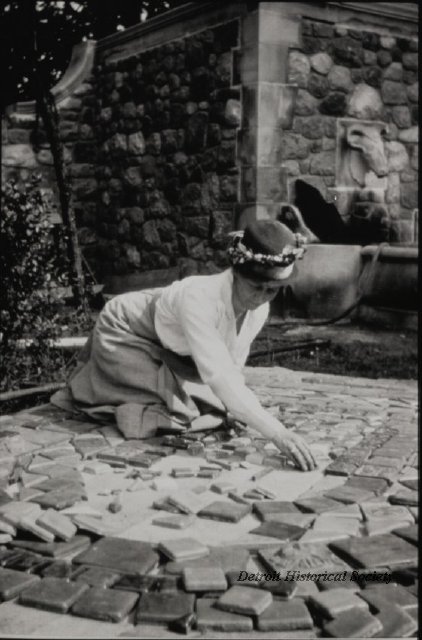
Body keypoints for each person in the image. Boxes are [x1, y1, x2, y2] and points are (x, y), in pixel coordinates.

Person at [52, 219, 316, 471]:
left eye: (271, 290)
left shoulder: (259, 309)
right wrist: (276, 432)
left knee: (217, 406)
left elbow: (233, 363)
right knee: (178, 412)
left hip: (170, 343)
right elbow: (217, 372)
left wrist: (240, 409)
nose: (261, 297)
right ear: (235, 273)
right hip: (125, 329)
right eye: (255, 286)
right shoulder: (200, 298)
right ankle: (104, 383)